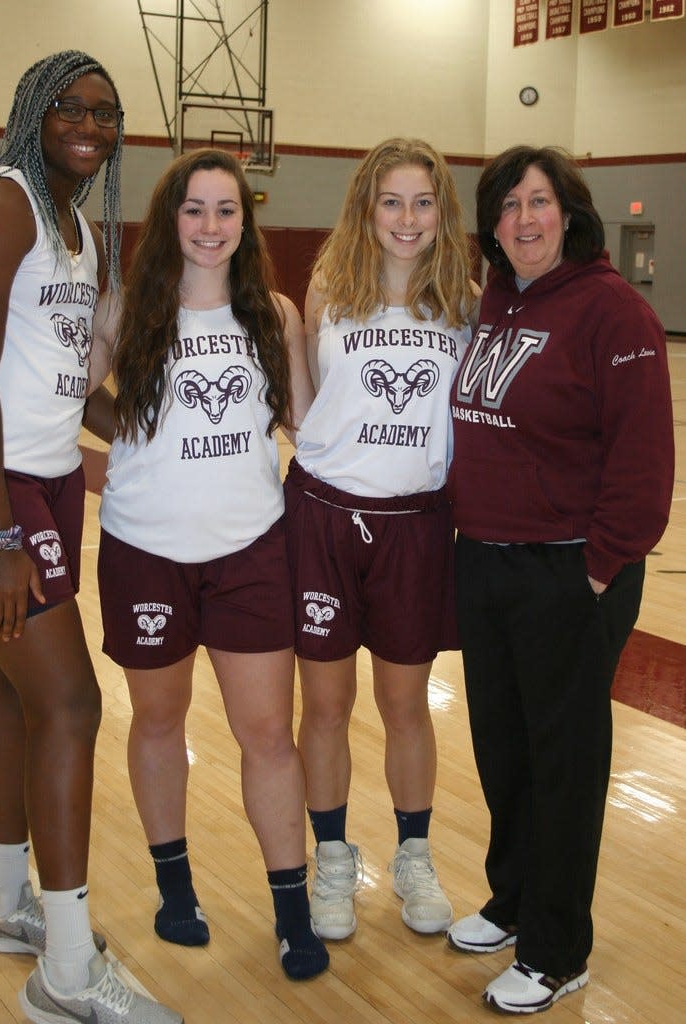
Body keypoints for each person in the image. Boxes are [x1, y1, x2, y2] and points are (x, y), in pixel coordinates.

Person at [0, 51, 182, 1024]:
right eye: (70, 105)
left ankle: (6, 902)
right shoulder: (1, 202)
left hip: (46, 476)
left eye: (106, 113)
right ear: (32, 108)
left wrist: (144, 429)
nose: (89, 124)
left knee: (12, 693)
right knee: (70, 703)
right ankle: (66, 973)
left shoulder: (74, 227)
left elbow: (64, 385)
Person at [446, 145, 674, 1014]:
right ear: (490, 227)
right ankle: (511, 902)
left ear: (569, 213)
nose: (523, 220)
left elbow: (644, 463)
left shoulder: (613, 313)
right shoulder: (498, 300)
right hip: (487, 558)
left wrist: (594, 569)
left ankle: (556, 948)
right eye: (506, 207)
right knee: (504, 752)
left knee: (562, 766)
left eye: (537, 203)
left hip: (567, 571)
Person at [96, 148, 329, 981]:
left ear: (245, 222)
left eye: (225, 210)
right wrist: (120, 433)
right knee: (157, 722)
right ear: (170, 219)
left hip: (250, 551)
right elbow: (62, 389)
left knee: (267, 733)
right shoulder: (128, 309)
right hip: (144, 550)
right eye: (193, 209)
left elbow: (305, 417)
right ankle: (174, 885)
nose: (209, 226)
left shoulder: (273, 311)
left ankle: (291, 909)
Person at [284, 138, 478, 941]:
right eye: (391, 201)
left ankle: (413, 856)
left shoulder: (464, 301)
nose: (406, 218)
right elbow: (305, 407)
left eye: (421, 203)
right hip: (326, 515)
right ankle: (331, 859)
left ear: (442, 213)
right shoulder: (329, 289)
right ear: (366, 205)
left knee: (406, 705)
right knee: (324, 705)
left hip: (418, 523)